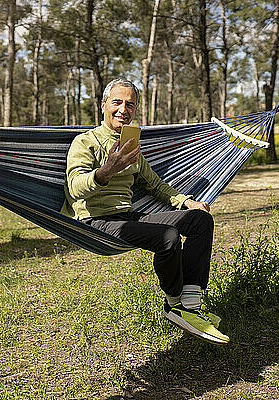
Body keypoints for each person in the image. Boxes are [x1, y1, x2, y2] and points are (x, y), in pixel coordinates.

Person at [61, 78, 229, 344]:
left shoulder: (132, 147)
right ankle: (175, 304)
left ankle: (191, 305)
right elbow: (75, 187)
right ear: (103, 105)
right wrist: (106, 171)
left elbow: (156, 186)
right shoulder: (86, 142)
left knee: (200, 220)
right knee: (168, 236)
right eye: (117, 102)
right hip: (96, 221)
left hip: (128, 217)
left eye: (130, 104)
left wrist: (187, 202)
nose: (123, 110)